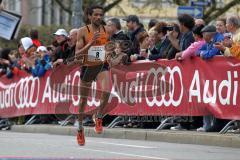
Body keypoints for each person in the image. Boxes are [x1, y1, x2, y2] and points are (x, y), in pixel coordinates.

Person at [75, 5, 111, 146]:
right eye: (95, 15)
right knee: (83, 101)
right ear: (89, 16)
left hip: (102, 65)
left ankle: (99, 116)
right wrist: (90, 43)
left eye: (100, 15)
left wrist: (110, 53)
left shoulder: (106, 30)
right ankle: (79, 128)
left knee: (107, 91)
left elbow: (107, 47)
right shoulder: (82, 31)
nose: (98, 17)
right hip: (88, 66)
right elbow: (77, 54)